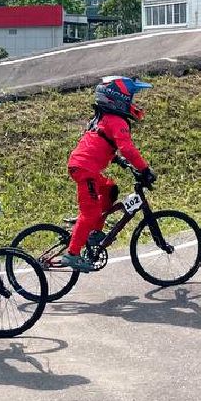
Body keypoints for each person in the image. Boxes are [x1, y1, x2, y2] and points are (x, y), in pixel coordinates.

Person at [60, 77, 156, 272]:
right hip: (85, 169)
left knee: (110, 190)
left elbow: (99, 145)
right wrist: (145, 170)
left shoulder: (104, 118)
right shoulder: (116, 120)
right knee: (90, 212)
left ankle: (94, 233)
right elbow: (127, 148)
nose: (133, 103)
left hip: (85, 166)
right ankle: (72, 254)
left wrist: (120, 161)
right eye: (130, 98)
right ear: (119, 98)